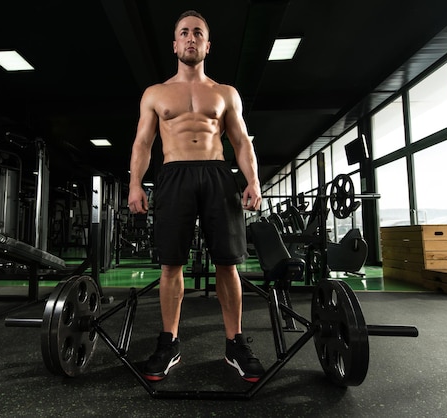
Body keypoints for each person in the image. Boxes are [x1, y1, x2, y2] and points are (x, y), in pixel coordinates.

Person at [128, 10, 264, 383]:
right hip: (173, 174)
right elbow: (143, 142)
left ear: (207, 45)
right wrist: (135, 184)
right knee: (171, 264)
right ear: (175, 44)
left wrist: (252, 181)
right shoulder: (156, 93)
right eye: (184, 33)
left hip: (217, 173)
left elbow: (240, 141)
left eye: (197, 33)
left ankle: (235, 343)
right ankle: (169, 342)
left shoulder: (225, 93)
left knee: (228, 262)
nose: (190, 38)